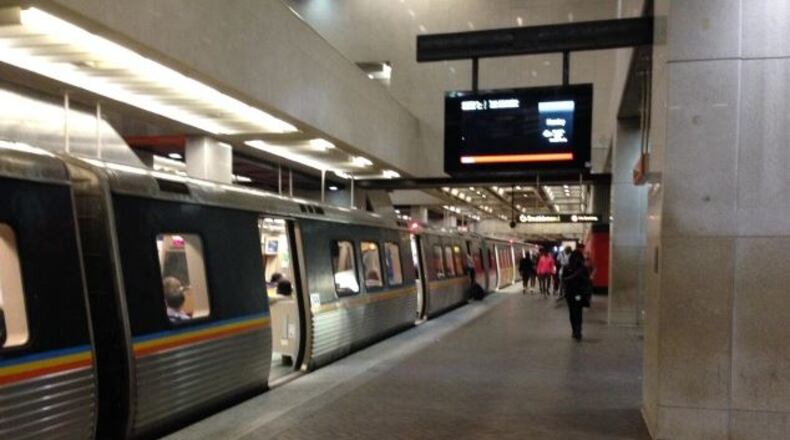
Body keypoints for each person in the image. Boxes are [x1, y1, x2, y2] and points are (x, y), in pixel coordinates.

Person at [562, 247, 592, 341]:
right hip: (578, 294)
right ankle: (578, 331)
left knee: (572, 312)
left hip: (570, 293)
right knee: (578, 311)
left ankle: (574, 330)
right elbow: (587, 282)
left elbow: (563, 280)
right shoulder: (583, 268)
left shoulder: (567, 267)